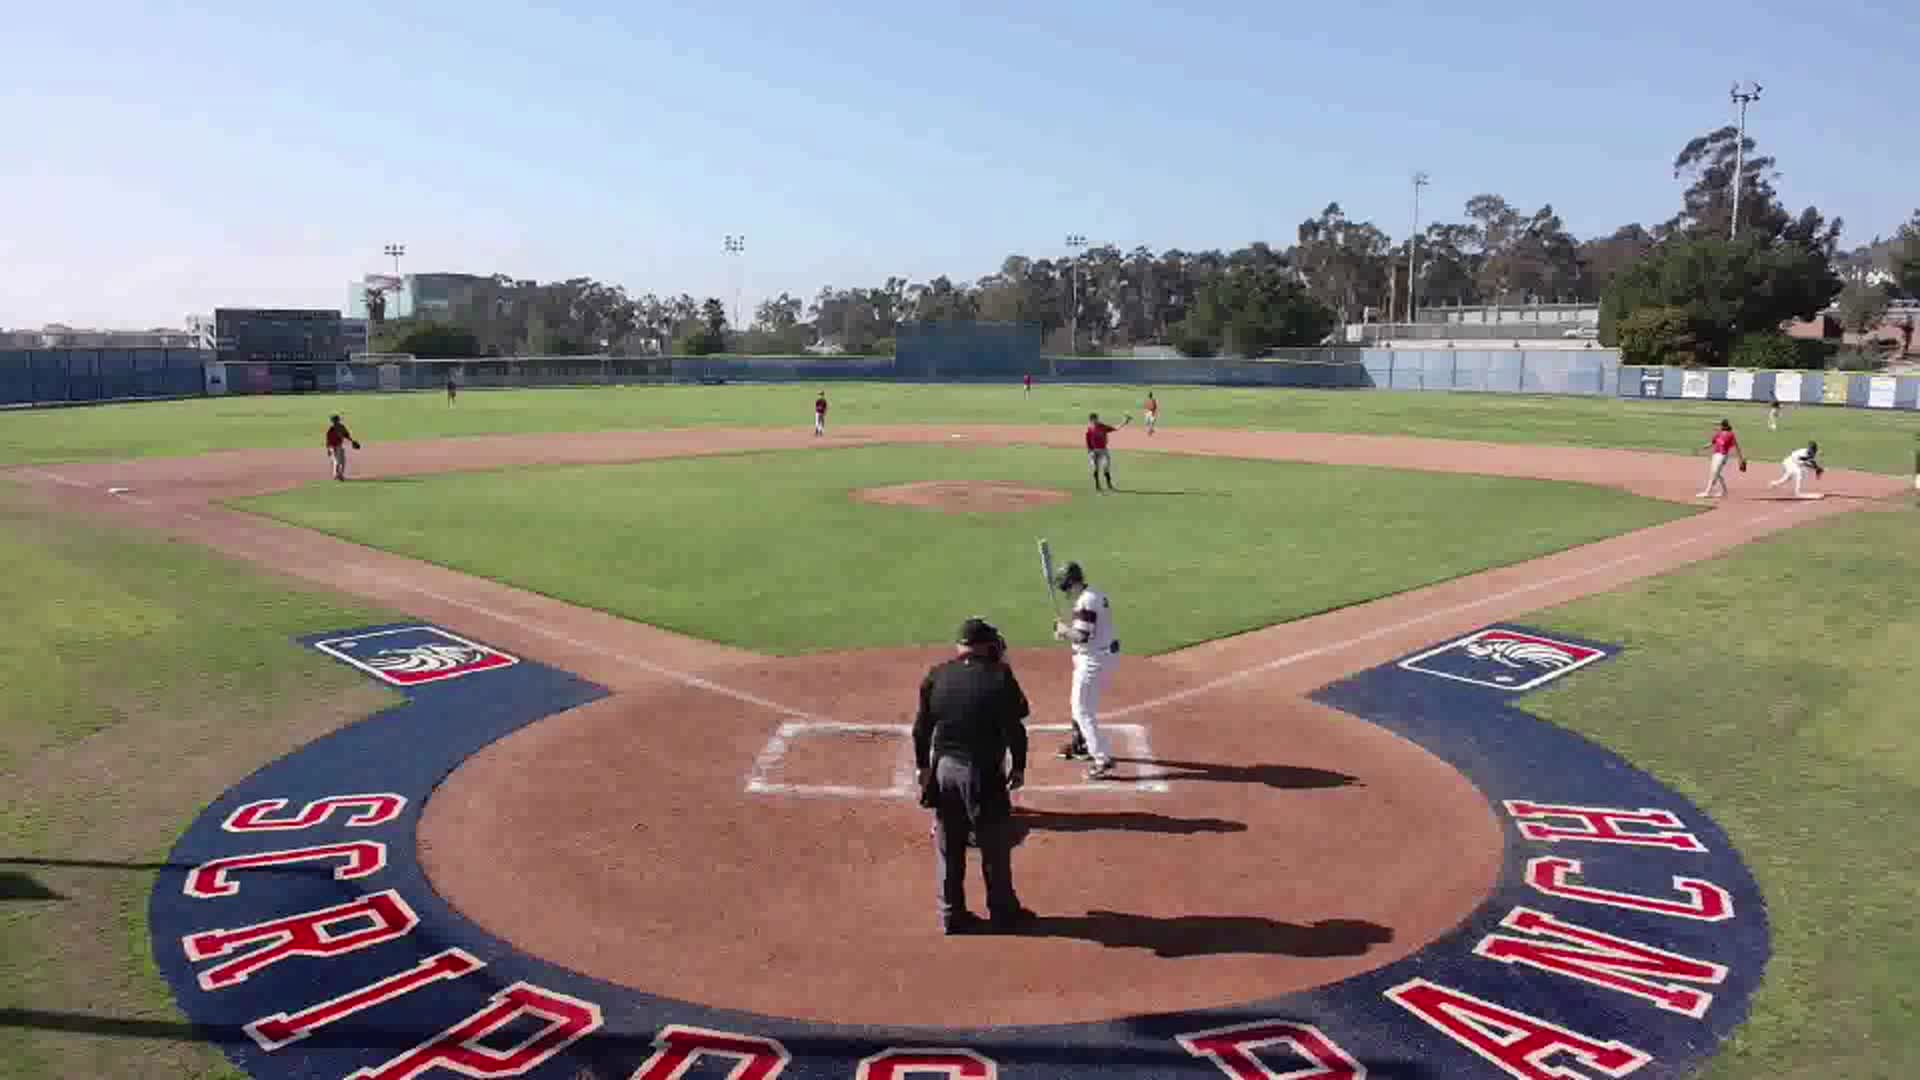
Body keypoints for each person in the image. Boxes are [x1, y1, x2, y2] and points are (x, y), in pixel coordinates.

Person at [913, 618, 1033, 934]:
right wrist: (1018, 765)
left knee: (949, 845)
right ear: (983, 645)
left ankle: (951, 914)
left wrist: (923, 770)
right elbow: (1016, 724)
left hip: (944, 771)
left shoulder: (937, 675)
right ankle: (1003, 912)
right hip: (982, 772)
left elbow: (921, 728)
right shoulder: (999, 676)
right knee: (994, 844)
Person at [1052, 561, 1120, 779]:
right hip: (1099, 655)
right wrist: (1067, 631)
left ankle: (1102, 759)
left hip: (1093, 659)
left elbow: (1082, 636)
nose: (1065, 592)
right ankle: (1080, 743)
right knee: (1077, 703)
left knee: (1082, 709)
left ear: (1072, 583)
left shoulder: (1086, 602)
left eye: (1065, 587)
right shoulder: (1093, 594)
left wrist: (1064, 632)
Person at [1696, 419, 1747, 499]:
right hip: (1715, 455)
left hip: (1722, 456)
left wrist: (1740, 458)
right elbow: (1712, 443)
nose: (1721, 426)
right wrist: (1703, 448)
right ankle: (1724, 491)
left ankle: (1707, 492)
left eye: (1722, 425)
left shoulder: (1731, 435)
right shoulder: (1718, 434)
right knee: (1716, 473)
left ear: (1725, 426)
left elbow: (1736, 447)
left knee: (1715, 472)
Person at [1084, 411, 1131, 492]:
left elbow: (1116, 428)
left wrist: (1125, 422)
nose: (1095, 421)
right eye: (1093, 419)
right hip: (1094, 451)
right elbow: (1088, 441)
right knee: (1095, 468)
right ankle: (1097, 485)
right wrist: (1090, 451)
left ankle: (1109, 485)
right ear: (1091, 420)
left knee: (1106, 467)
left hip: (1103, 450)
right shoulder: (1089, 429)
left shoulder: (1102, 426)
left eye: (1096, 419)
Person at [324, 415, 361, 481]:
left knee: (343, 461)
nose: (335, 422)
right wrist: (328, 449)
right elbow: (328, 440)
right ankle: (336, 475)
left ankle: (340, 475)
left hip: (339, 445)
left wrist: (352, 441)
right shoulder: (331, 429)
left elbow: (346, 435)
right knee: (337, 461)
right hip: (332, 447)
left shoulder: (341, 427)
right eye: (334, 421)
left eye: (336, 420)